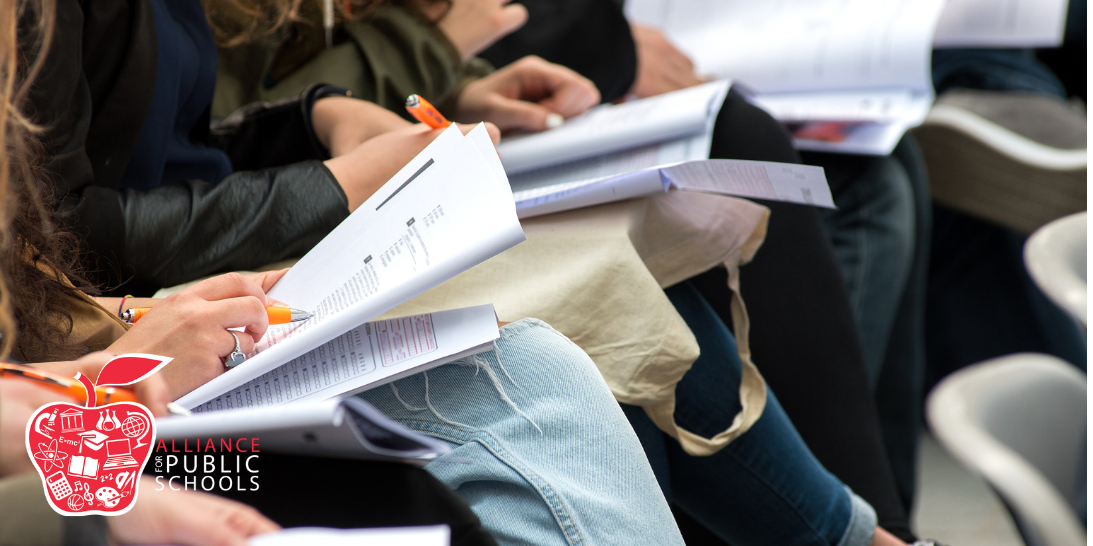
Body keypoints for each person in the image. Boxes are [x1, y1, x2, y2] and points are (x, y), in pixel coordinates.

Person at [21, 1, 922, 545]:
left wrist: (319, 119)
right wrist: (101, 375)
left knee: (567, 336)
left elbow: (163, 154)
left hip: (111, 345)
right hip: (97, 372)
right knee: (532, 366)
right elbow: (69, 238)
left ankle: (861, 532)